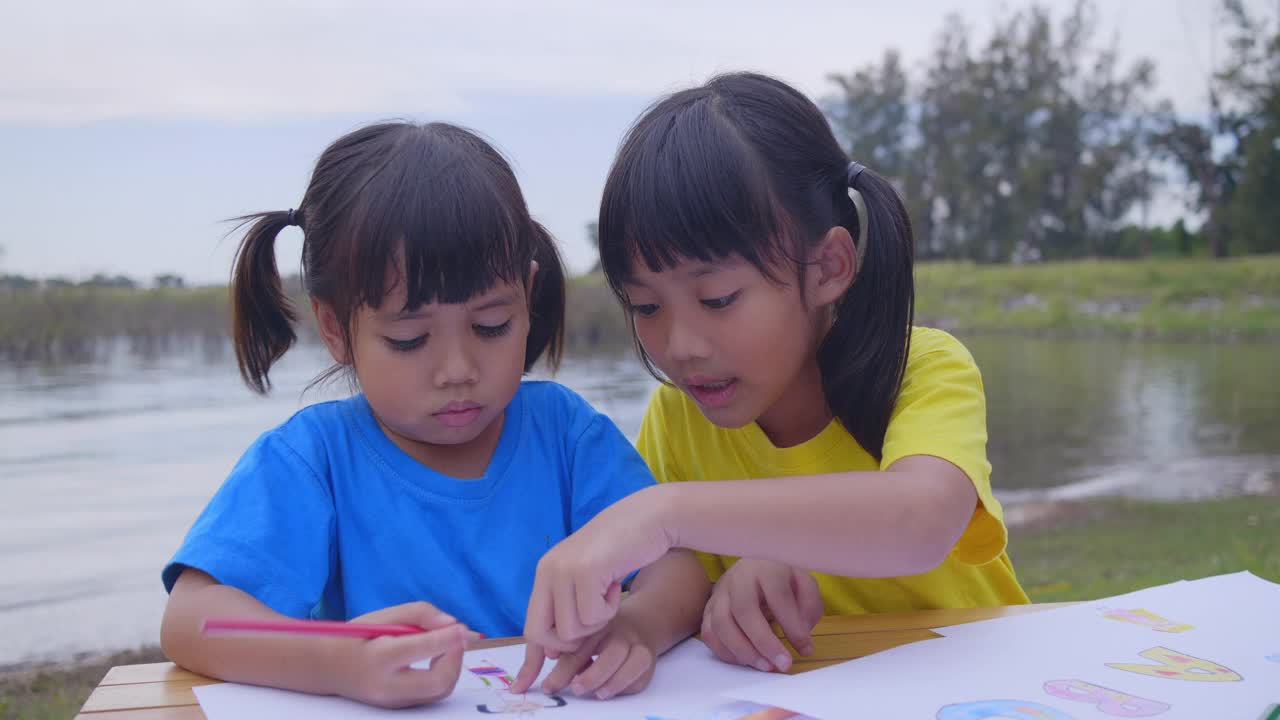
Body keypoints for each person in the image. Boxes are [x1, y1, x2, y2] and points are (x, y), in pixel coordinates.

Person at [160, 122, 707, 708]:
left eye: (491, 327)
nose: (457, 369)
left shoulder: (566, 435)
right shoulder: (313, 460)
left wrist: (639, 625)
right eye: (409, 338)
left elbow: (677, 566)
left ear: (527, 296)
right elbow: (193, 619)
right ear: (334, 328)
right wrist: (338, 658)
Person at [520, 72, 1029, 679]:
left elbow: (919, 521)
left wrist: (661, 512)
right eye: (646, 307)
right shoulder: (680, 416)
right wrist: (648, 622)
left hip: (990, 684)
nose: (680, 347)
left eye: (717, 299)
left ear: (829, 267)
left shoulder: (920, 368)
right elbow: (682, 578)